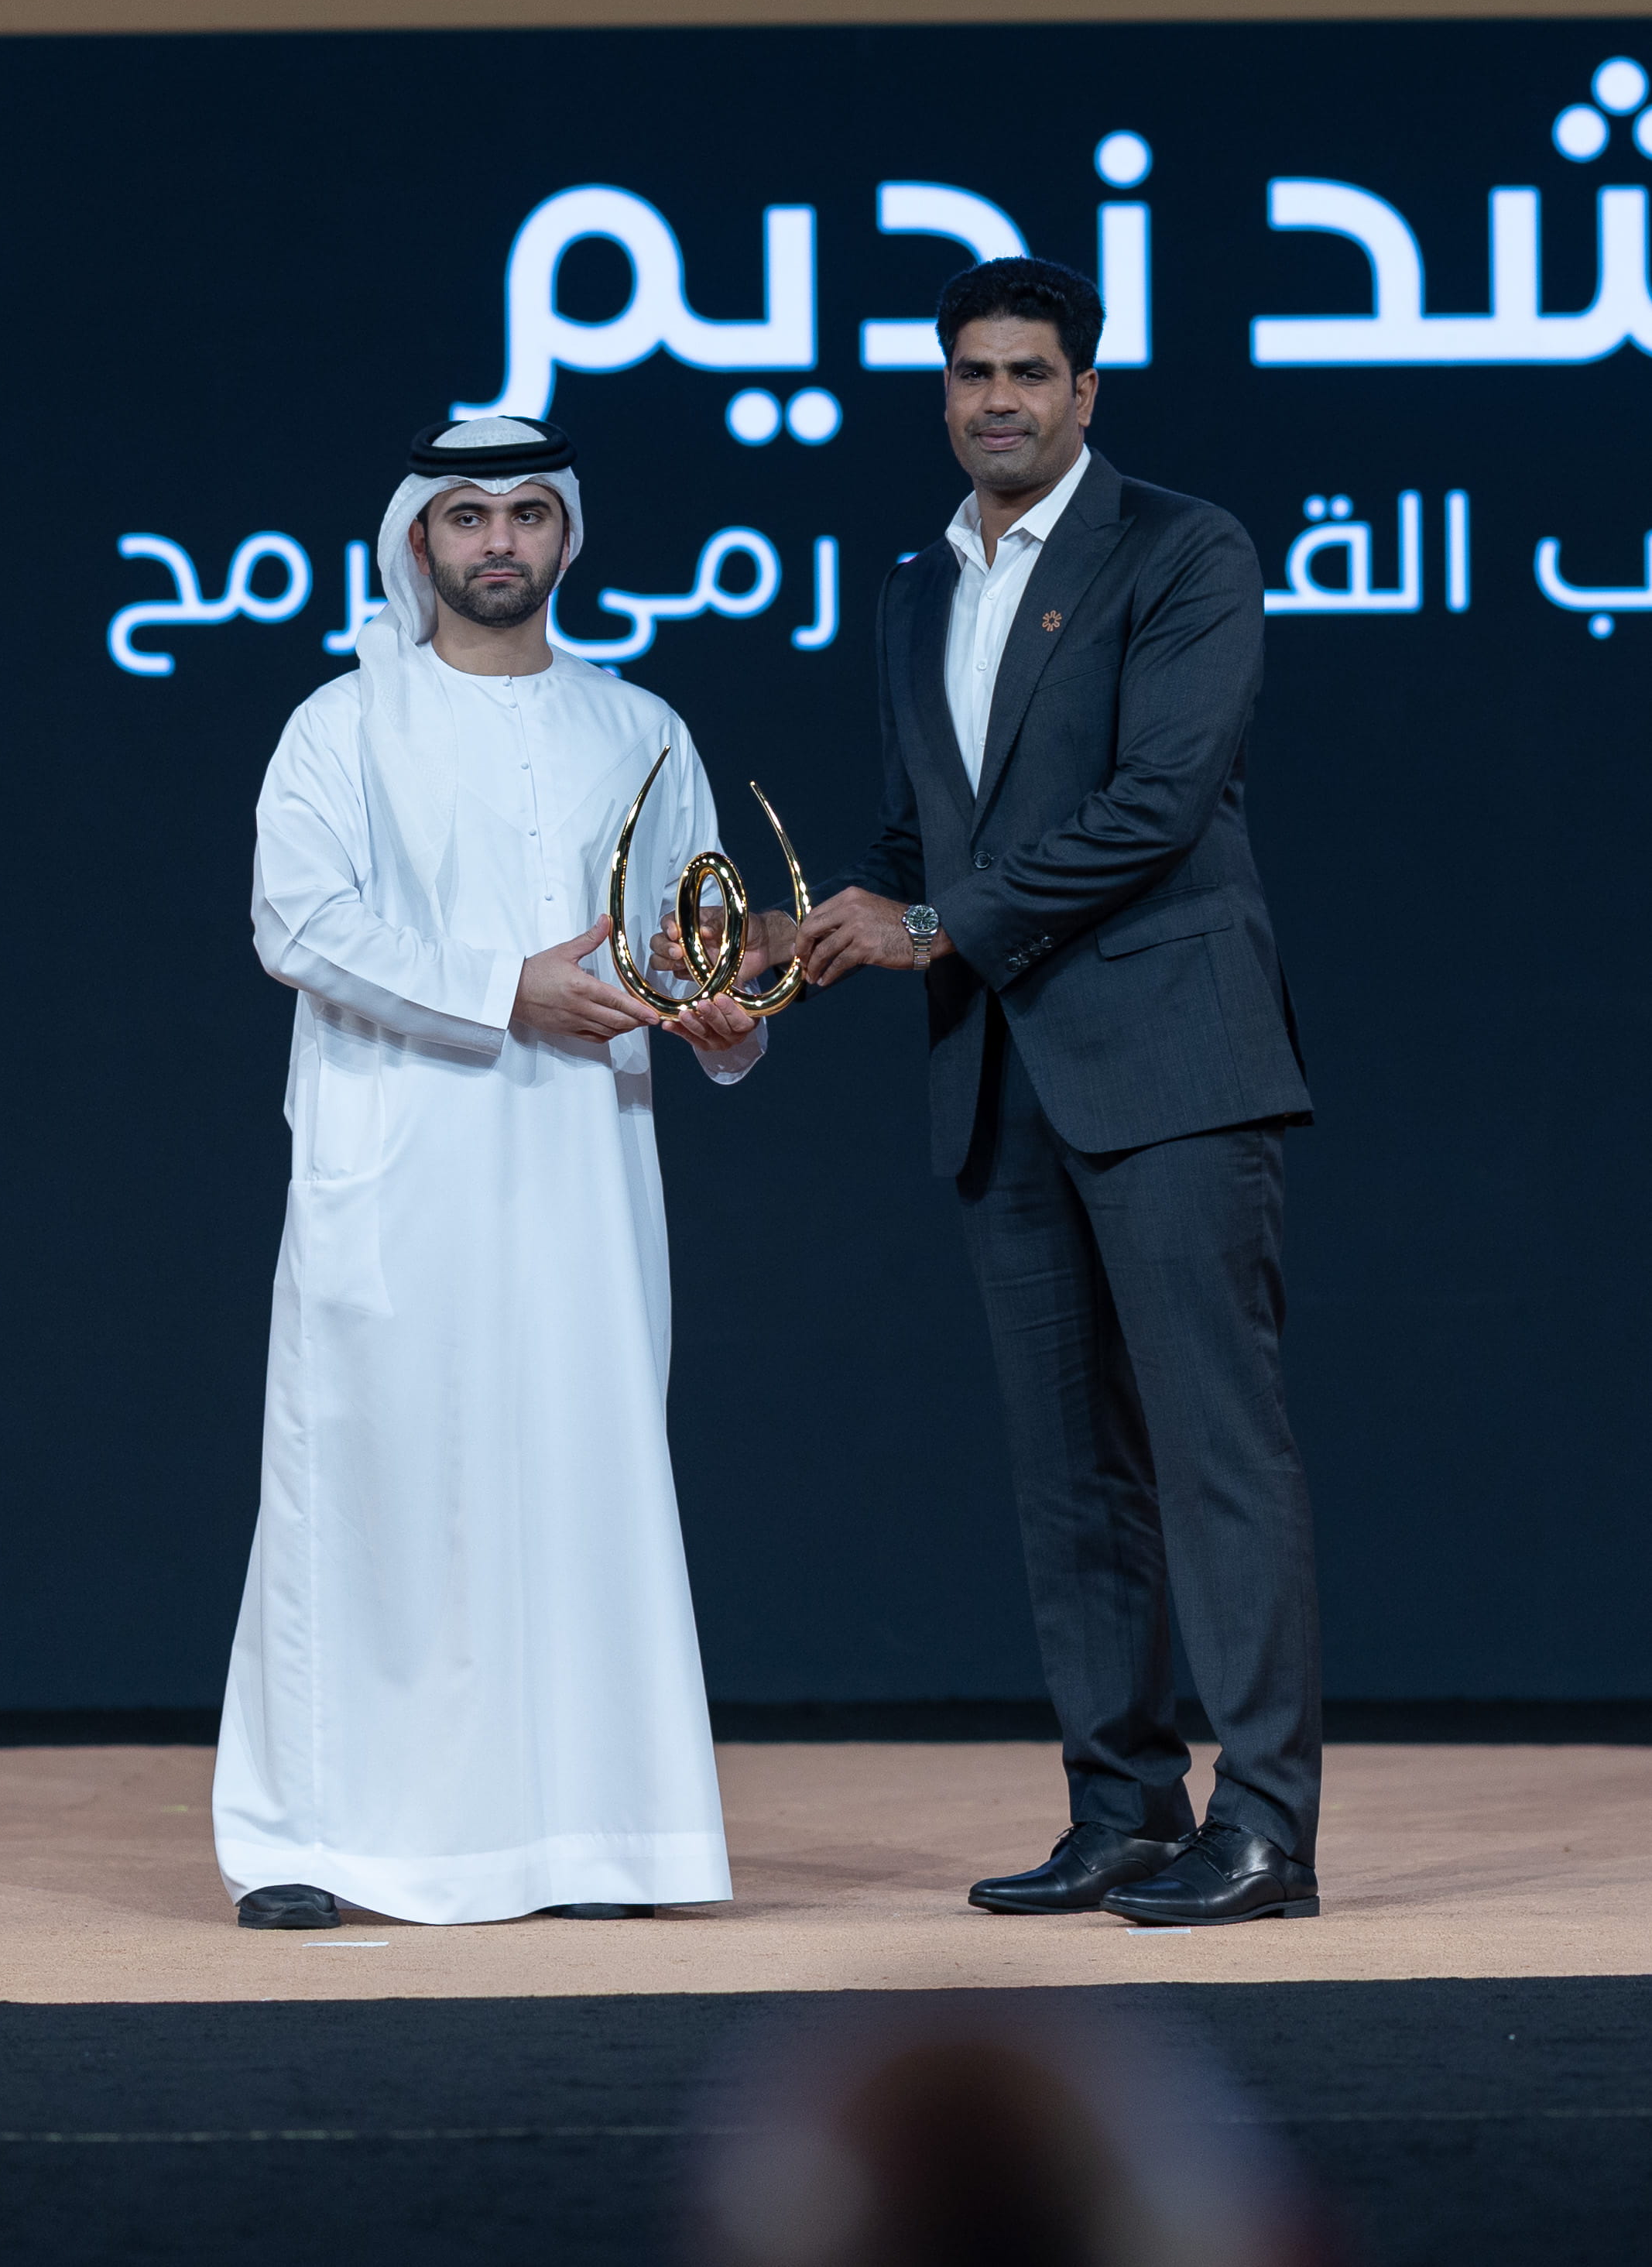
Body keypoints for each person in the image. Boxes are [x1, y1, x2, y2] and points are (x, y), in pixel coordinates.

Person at [727, 257, 1322, 1926]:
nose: (998, 399)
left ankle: (1264, 1826)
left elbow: (1158, 802)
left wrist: (930, 926)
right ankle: (1121, 1807)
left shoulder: (1183, 549)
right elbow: (927, 835)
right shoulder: (917, 587)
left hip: (1173, 1064)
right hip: (1000, 1075)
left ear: (1084, 393)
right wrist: (793, 938)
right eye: (972, 373)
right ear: (944, 395)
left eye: (1030, 373)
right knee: (1070, 1475)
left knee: (1214, 1455)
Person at [212, 414, 759, 1930]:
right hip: (398, 1154)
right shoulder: (341, 724)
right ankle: (312, 1842)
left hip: (585, 1159)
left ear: (566, 535)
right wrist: (498, 988)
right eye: (468, 514)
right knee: (371, 1484)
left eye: (527, 512)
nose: (499, 539)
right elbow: (295, 921)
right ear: (420, 539)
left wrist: (722, 1019)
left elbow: (685, 942)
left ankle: (589, 1841)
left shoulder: (641, 726)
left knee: (579, 1477)